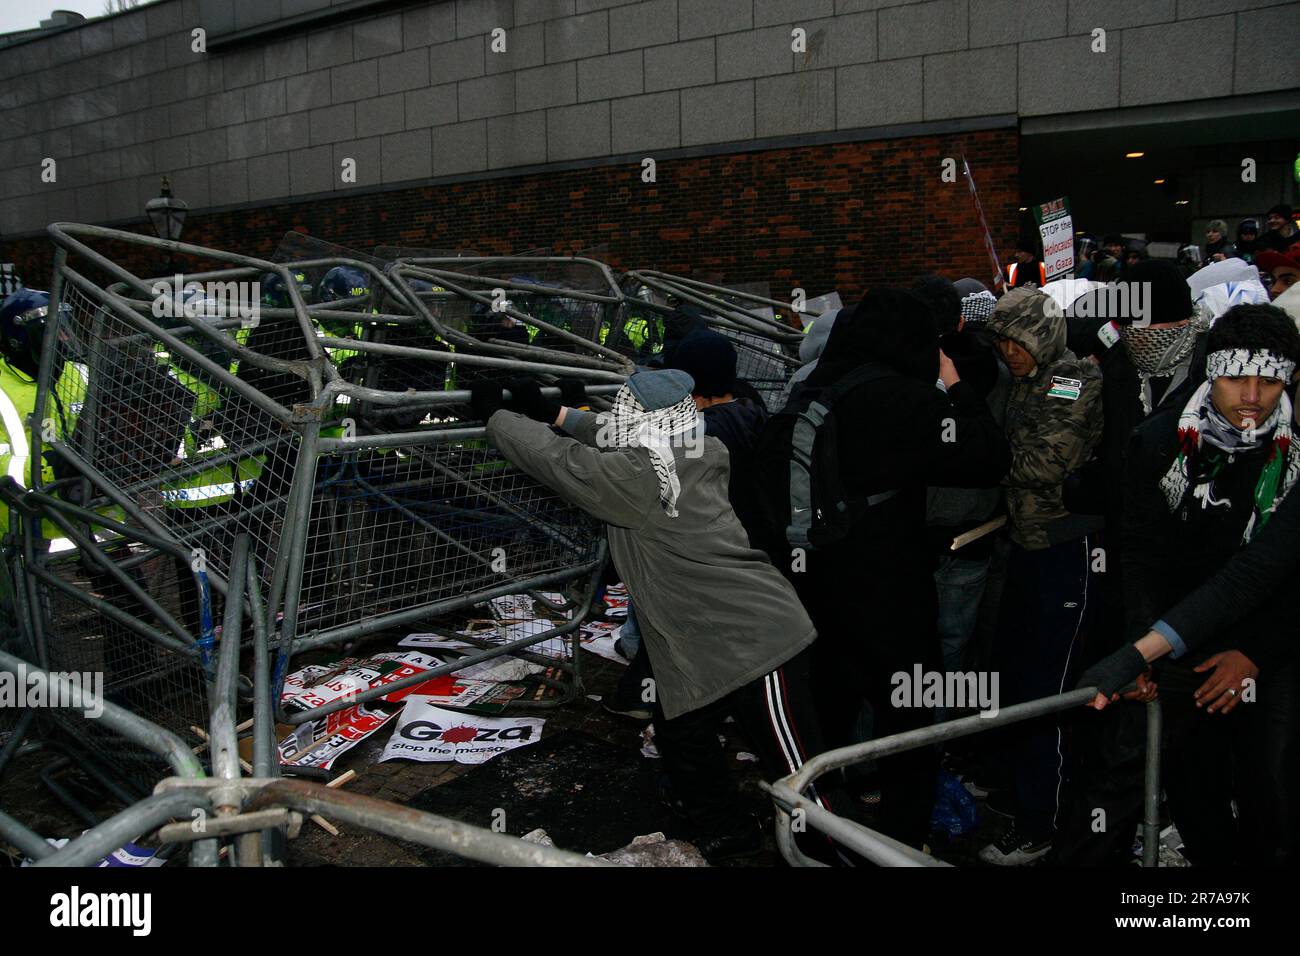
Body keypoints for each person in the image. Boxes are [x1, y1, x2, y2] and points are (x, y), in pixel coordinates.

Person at [470, 370, 846, 862]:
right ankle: (727, 829)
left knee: (801, 774)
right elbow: (614, 434)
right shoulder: (696, 444)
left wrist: (496, 418)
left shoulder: (641, 479)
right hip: (706, 641)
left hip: (758, 641)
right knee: (682, 733)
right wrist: (556, 414)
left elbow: (564, 462)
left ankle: (843, 851)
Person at [766, 287, 1011, 850]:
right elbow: (988, 458)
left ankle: (816, 832)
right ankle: (901, 841)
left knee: (827, 716)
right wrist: (954, 384)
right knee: (907, 721)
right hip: (891, 595)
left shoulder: (810, 394)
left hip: (815, 592)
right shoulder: (906, 399)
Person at [1081, 302, 1300, 866]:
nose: (1252, 395)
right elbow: (1142, 555)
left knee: (1270, 790)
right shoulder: (1158, 443)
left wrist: (1253, 653)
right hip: (1180, 641)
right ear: (1211, 373)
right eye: (1235, 377)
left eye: (1270, 379)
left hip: (1272, 649)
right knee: (1193, 787)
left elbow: (1270, 572)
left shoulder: (1299, 455)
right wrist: (1144, 652)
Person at [979, 287, 1103, 865]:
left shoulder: (1071, 378)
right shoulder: (1025, 380)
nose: (1009, 351)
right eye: (1001, 339)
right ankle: (1017, 790)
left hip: (1062, 548)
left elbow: (1047, 461)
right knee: (1012, 672)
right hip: (1023, 546)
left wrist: (984, 453)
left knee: (1046, 690)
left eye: (1018, 339)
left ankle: (1043, 823)